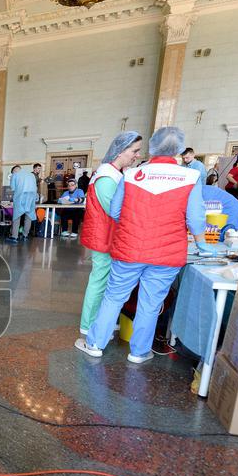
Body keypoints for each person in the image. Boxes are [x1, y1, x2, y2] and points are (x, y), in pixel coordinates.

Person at [76, 127, 208, 364]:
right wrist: (203, 244)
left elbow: (116, 211)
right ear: (178, 150)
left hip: (130, 248)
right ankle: (139, 352)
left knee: (113, 296)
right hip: (167, 252)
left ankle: (95, 343)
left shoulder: (132, 175)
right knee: (151, 302)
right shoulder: (190, 177)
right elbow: (196, 218)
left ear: (152, 147)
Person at [78, 132, 142, 334]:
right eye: (134, 151)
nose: (137, 155)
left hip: (108, 235)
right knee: (100, 280)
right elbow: (116, 211)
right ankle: (89, 325)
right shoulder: (107, 176)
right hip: (104, 236)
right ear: (121, 150)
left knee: (104, 280)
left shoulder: (113, 173)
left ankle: (100, 320)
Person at [5, 165, 38, 245]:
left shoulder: (15, 175)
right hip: (32, 196)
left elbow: (13, 188)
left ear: (13, 171)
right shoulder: (31, 175)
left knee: (17, 216)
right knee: (29, 216)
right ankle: (25, 236)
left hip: (21, 196)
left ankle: (14, 237)